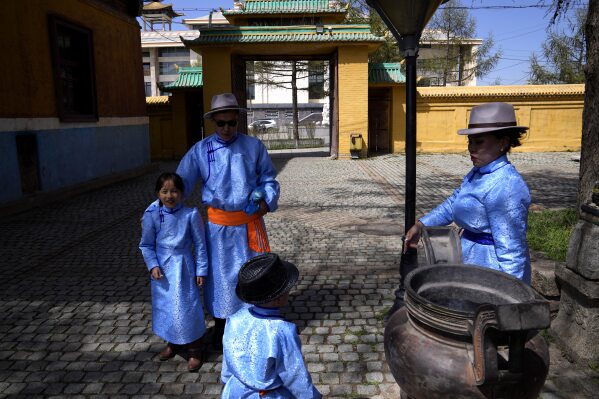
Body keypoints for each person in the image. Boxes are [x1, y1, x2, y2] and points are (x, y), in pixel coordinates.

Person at [176, 93, 280, 349]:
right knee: (220, 280)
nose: (226, 129)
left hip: (248, 226)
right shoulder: (200, 150)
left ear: (238, 120)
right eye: (220, 123)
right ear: (213, 122)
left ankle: (254, 326)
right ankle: (222, 328)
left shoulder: (254, 147)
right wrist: (163, 211)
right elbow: (180, 184)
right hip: (217, 229)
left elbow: (269, 178)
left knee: (252, 275)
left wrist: (266, 198)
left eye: (231, 123)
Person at [404, 102, 532, 284]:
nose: (471, 148)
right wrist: (421, 224)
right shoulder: (479, 173)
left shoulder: (507, 185)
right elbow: (454, 203)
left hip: (491, 270)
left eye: (479, 142)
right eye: (470, 141)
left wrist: (510, 294)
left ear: (502, 143)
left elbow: (512, 250)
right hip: (470, 259)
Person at [220, 253, 322, 399]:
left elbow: (228, 357)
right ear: (279, 298)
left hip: (235, 391)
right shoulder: (282, 331)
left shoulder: (234, 319)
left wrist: (225, 379)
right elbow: (294, 375)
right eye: (287, 290)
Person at [139, 172, 208, 371]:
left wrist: (201, 270)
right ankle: (173, 340)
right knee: (166, 307)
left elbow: (200, 244)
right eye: (165, 191)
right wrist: (152, 265)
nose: (170, 196)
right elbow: (146, 244)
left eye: (174, 191)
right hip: (161, 270)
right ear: (157, 193)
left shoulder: (190, 215)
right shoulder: (152, 214)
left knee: (186, 305)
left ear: (182, 193)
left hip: (183, 267)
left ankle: (195, 347)